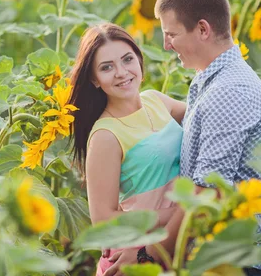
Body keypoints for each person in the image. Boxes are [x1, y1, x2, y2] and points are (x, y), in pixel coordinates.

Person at [104, 0, 261, 276]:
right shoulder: (210, 81)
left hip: (240, 263)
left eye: (171, 34)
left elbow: (205, 193)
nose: (165, 45)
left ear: (202, 29)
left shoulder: (230, 92)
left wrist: (147, 255)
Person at [68, 23, 186, 276]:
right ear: (94, 79)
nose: (121, 72)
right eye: (107, 67)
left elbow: (205, 118)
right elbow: (102, 219)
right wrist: (177, 213)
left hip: (177, 241)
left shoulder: (157, 101)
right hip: (137, 254)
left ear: (139, 59)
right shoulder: (105, 135)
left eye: (127, 59)